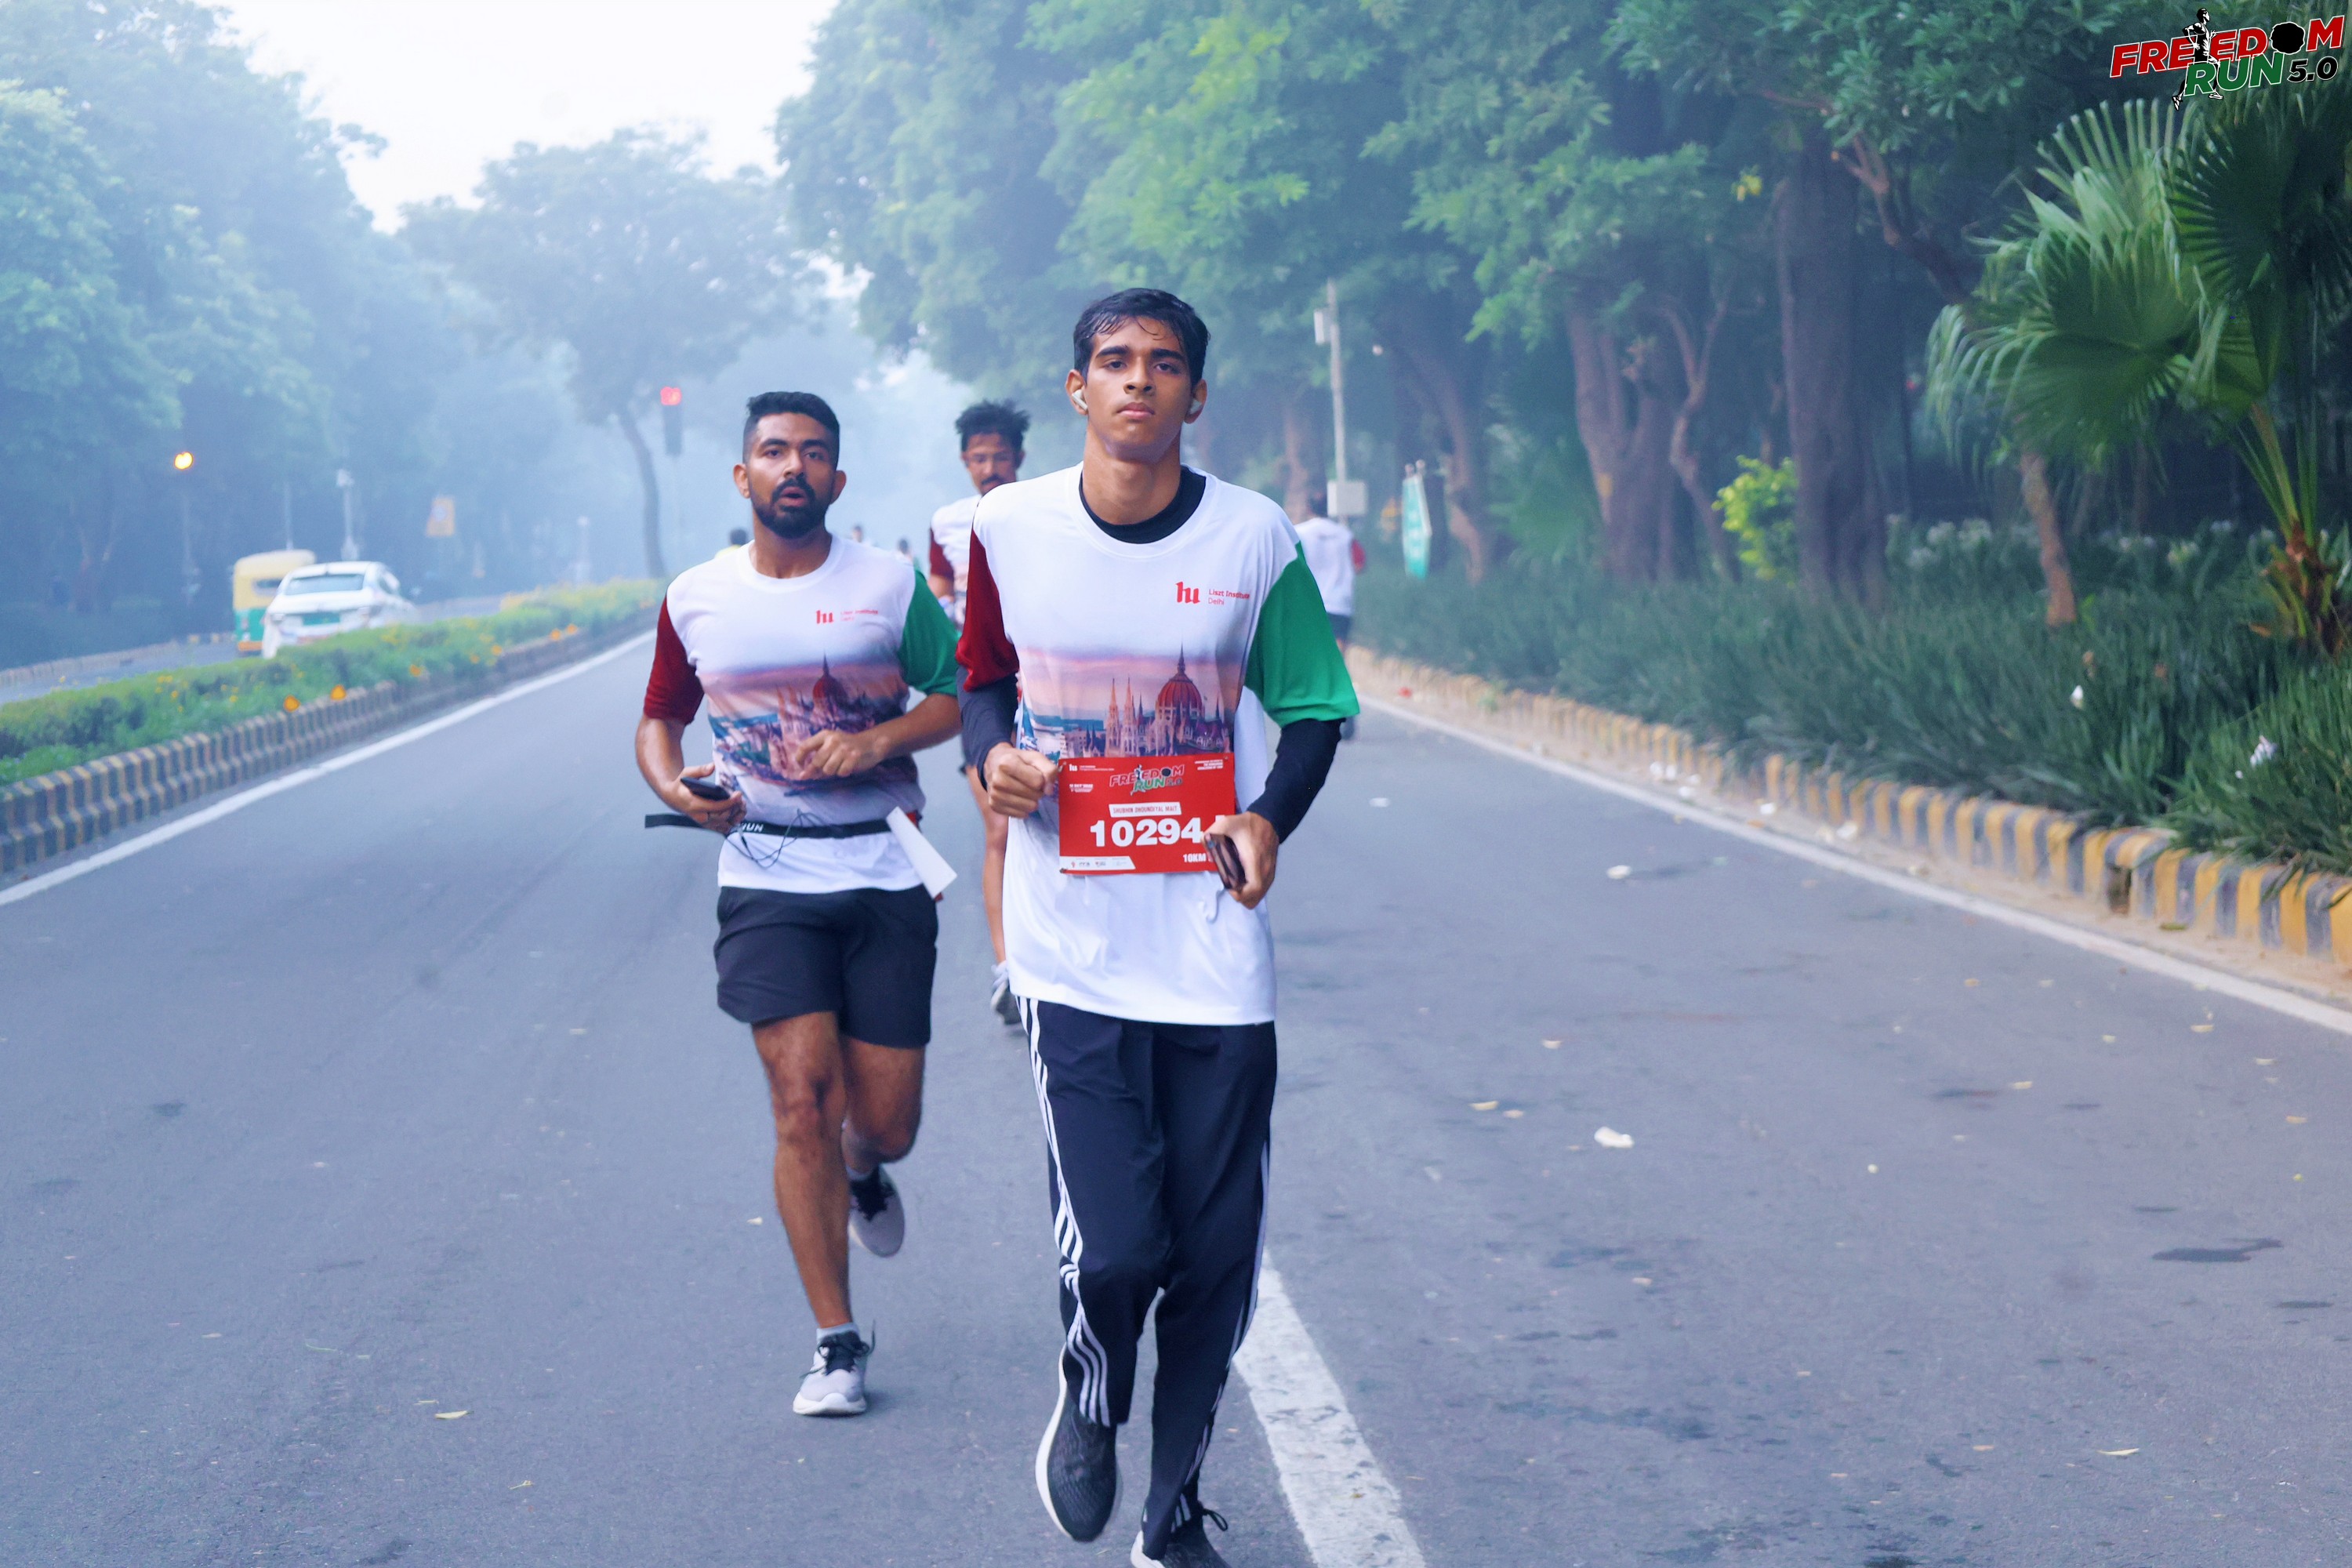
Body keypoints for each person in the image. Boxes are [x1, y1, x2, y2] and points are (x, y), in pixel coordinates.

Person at [956, 290, 1356, 1568]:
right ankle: (1090, 1393)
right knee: (1120, 1251)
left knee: (1216, 1259)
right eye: (1116, 362)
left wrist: (1268, 821)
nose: (1140, 381)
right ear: (1078, 387)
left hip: (1214, 956)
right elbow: (980, 682)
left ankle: (1173, 1510)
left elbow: (1314, 707)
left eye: (1165, 364)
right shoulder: (1008, 529)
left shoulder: (1254, 538)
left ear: (1196, 394)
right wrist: (994, 760)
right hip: (1072, 950)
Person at [637, 390, 963, 1420]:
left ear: (837, 478)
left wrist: (876, 743)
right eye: (775, 452)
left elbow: (957, 694)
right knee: (799, 1104)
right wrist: (676, 789)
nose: (794, 467)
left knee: (886, 1123)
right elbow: (661, 717)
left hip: (882, 869)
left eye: (814, 453)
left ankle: (867, 1169)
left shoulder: (888, 585)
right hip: (766, 875)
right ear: (744, 476)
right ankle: (836, 1340)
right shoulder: (697, 596)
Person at [928, 399, 1029, 1026]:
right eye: (979, 458)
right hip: (980, 685)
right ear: (965, 461)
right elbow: (940, 595)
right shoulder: (946, 524)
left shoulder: (1047, 510)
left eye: (1000, 457)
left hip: (1042, 683)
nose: (989, 468)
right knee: (1000, 829)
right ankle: (1008, 966)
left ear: (1019, 458)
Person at [1290, 482, 1363, 739]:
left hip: (1309, 607)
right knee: (1338, 661)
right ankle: (1346, 714)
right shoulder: (1345, 535)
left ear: (1309, 508)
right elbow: (1360, 563)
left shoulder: (1298, 533)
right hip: (1340, 606)